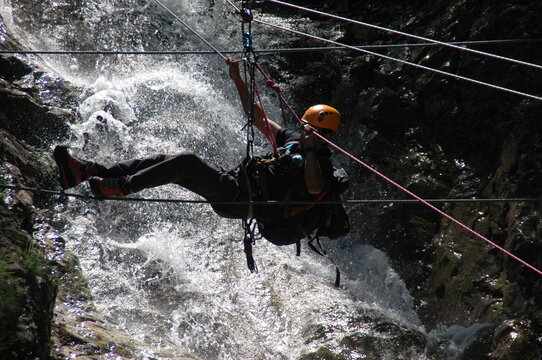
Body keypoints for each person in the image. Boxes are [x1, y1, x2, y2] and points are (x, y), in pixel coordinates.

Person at [53, 58, 349, 246]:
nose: (309, 131)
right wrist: (237, 79)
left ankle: (119, 189)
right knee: (166, 161)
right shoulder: (292, 138)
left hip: (242, 201)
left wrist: (311, 152)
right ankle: (86, 171)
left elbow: (313, 187)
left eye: (316, 130)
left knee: (186, 162)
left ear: (327, 136)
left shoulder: (321, 162)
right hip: (235, 188)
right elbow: (256, 116)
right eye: (306, 125)